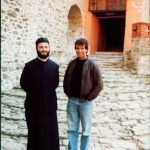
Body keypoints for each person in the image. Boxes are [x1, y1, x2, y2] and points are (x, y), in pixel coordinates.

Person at [63, 38, 103, 150]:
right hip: (72, 101)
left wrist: (89, 97)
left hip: (86, 103)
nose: (79, 51)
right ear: (75, 49)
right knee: (72, 129)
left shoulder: (93, 65)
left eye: (82, 48)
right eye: (77, 48)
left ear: (86, 49)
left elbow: (99, 84)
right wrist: (68, 93)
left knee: (85, 130)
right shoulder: (71, 64)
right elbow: (66, 79)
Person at [20, 37, 60, 150]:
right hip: (33, 108)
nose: (44, 49)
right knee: (34, 136)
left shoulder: (54, 66)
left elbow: (55, 84)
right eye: (41, 47)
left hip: (50, 108)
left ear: (49, 48)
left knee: (50, 136)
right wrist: (35, 93)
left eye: (46, 47)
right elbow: (23, 84)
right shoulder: (29, 66)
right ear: (37, 48)